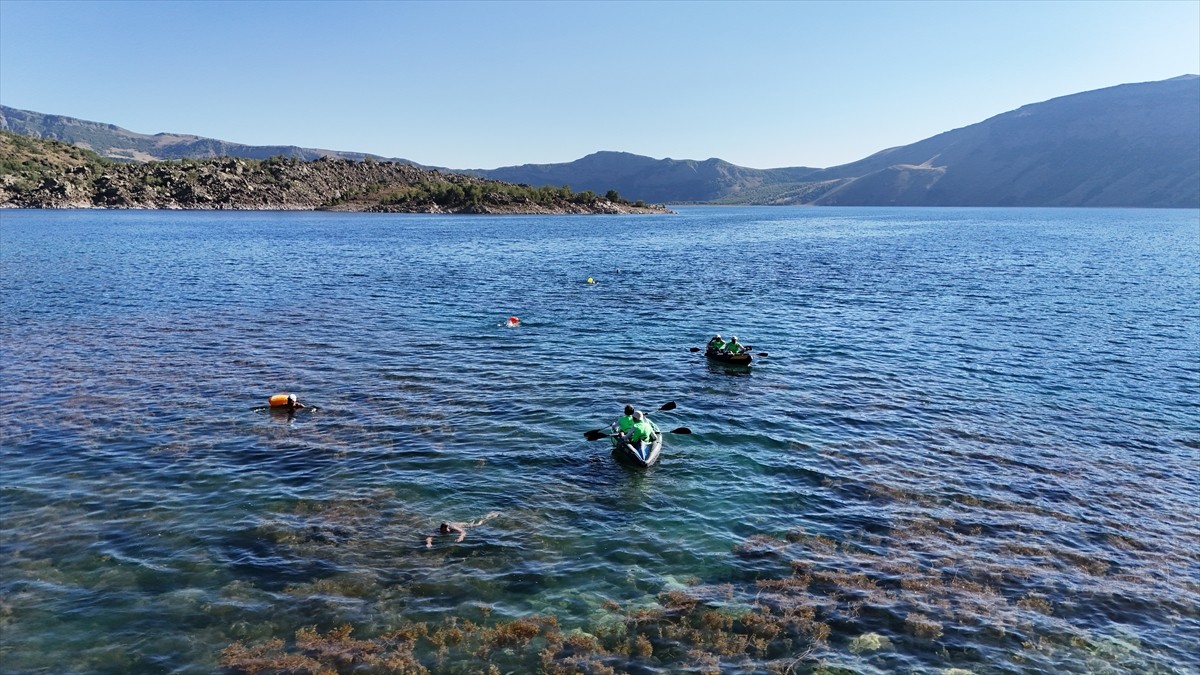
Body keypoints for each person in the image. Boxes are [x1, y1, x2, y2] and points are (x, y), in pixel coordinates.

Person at [425, 511, 500, 547]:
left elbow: (463, 531)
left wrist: (461, 537)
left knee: (478, 524)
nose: (444, 532)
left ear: (448, 528)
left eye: (445, 530)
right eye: (443, 531)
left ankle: (490, 516)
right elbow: (429, 537)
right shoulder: (438, 530)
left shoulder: (452, 528)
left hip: (460, 525)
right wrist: (429, 543)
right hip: (454, 524)